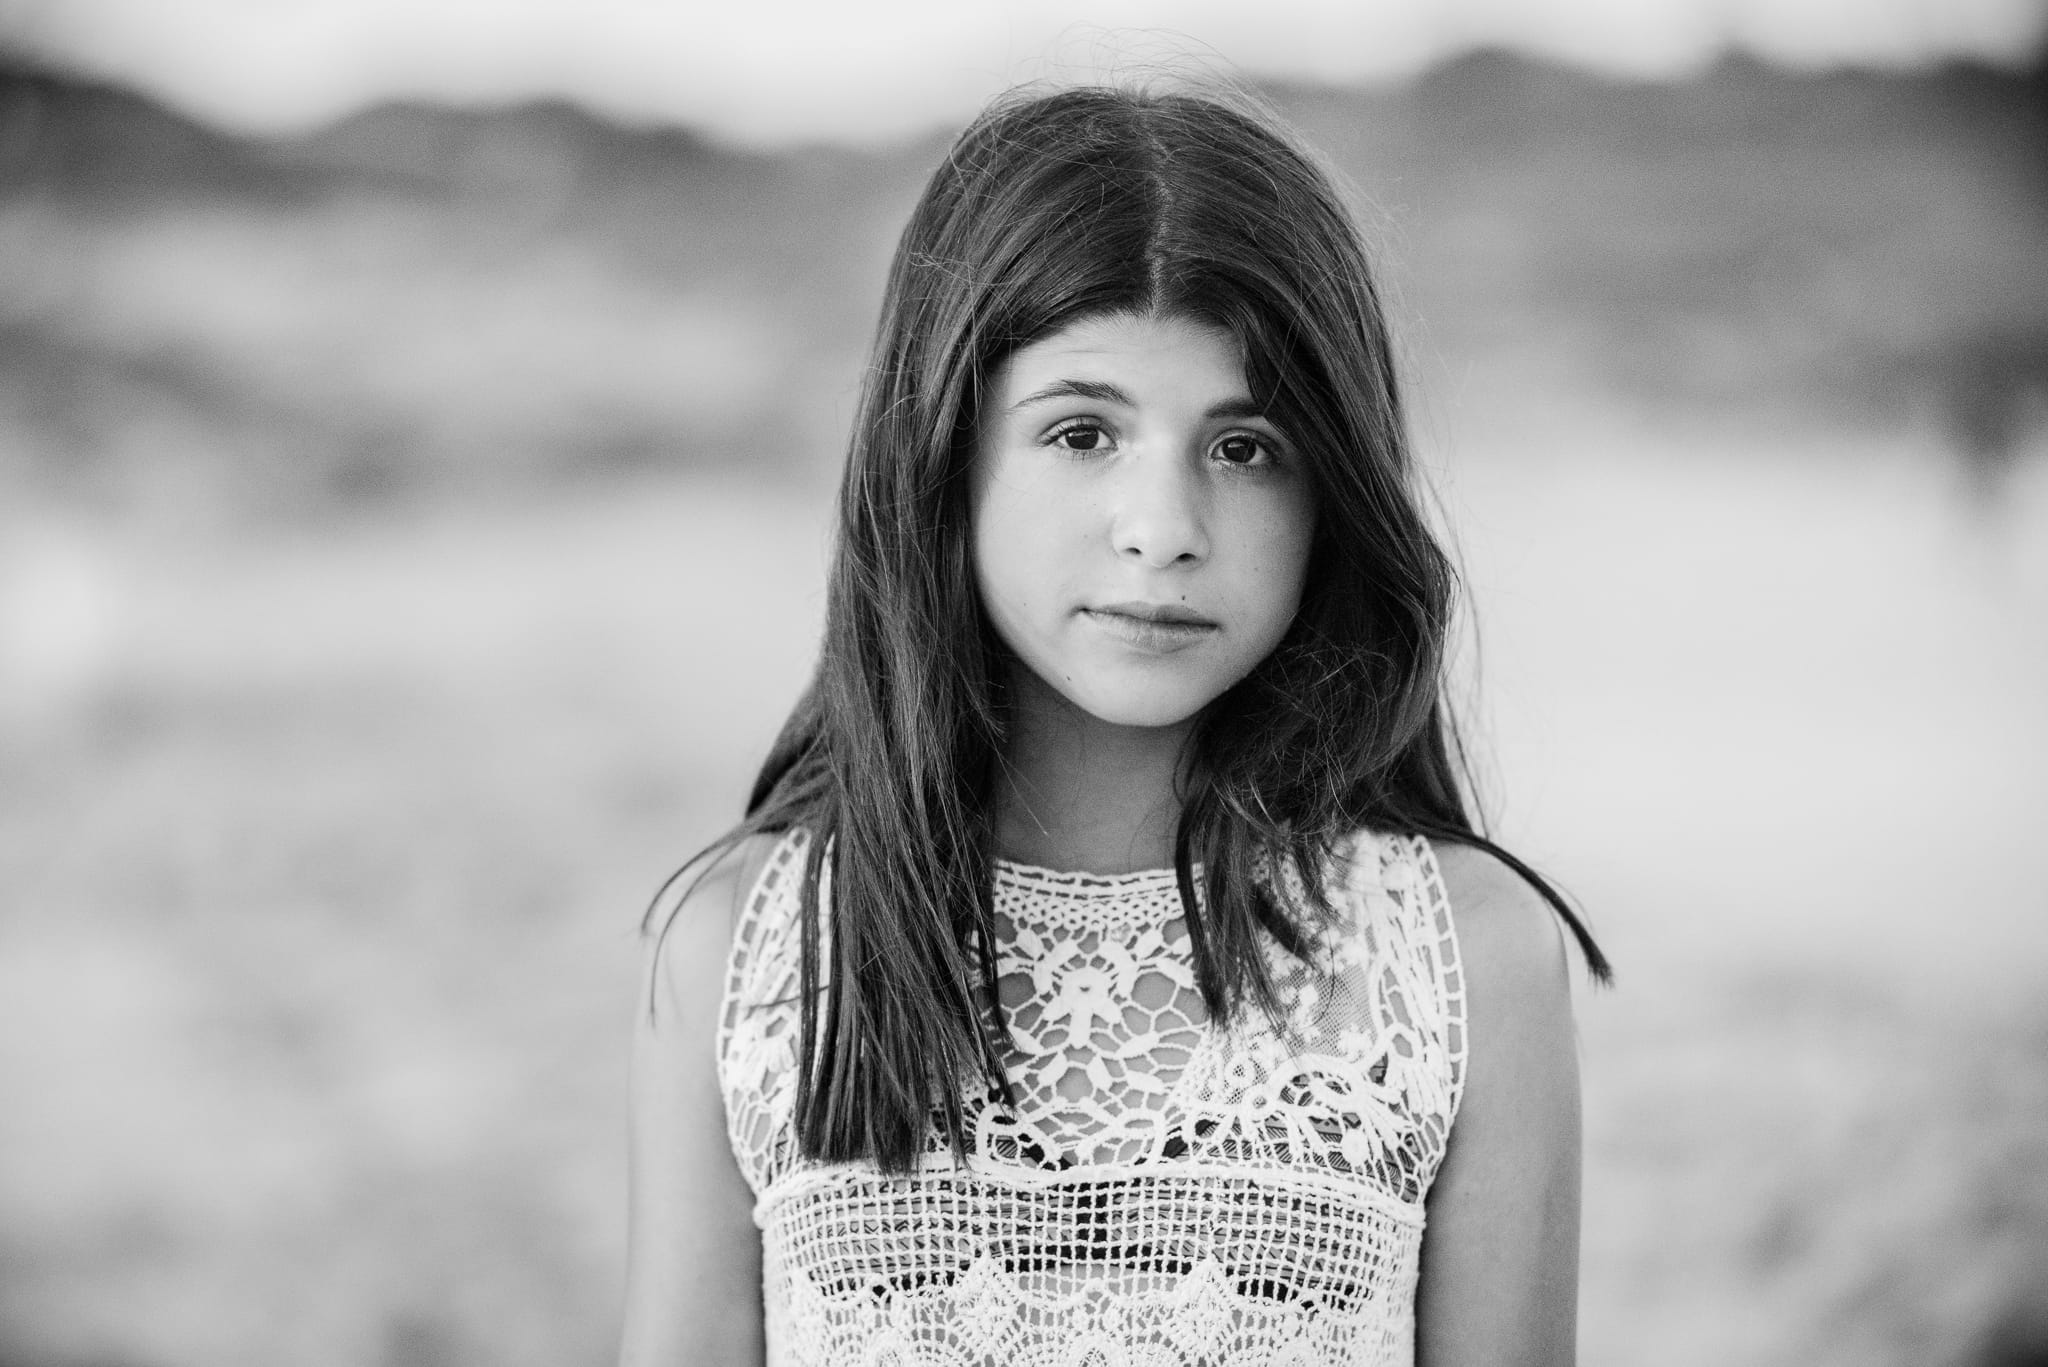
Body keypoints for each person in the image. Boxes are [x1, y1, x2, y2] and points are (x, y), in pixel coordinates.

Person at [618, 81, 1611, 1367]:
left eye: (1245, 446)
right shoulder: (740, 950)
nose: (1163, 525)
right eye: (1081, 431)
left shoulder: (1468, 960)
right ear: (943, 456)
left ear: (1332, 490)